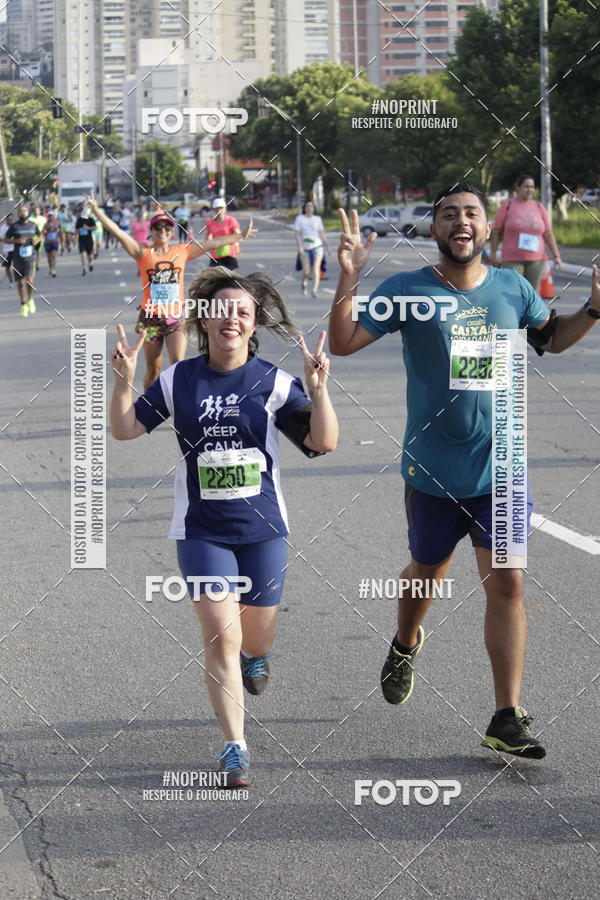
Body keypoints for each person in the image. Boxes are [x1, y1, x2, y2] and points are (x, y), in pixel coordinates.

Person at [329, 185, 600, 760]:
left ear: (487, 228)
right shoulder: (408, 290)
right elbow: (344, 341)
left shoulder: (512, 287)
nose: (461, 222)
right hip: (432, 472)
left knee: (508, 582)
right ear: (435, 230)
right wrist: (349, 275)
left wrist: (594, 310)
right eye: (449, 214)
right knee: (427, 572)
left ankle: (506, 714)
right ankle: (405, 642)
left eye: (472, 213)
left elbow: (549, 338)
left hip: (500, 468)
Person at [110, 269, 338, 786]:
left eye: (242, 310)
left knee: (255, 636)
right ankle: (235, 746)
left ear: (253, 322)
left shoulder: (274, 382)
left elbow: (323, 442)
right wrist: (124, 383)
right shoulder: (178, 379)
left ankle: (259, 657)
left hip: (263, 530)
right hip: (201, 532)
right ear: (204, 320)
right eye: (221, 309)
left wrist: (319, 391)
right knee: (220, 635)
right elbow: (124, 430)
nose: (230, 318)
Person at [86, 190, 256, 390]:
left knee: (177, 365)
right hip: (150, 317)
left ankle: (179, 411)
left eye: (167, 228)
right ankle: (149, 410)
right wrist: (97, 211)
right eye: (158, 227)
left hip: (176, 317)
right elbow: (118, 232)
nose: (163, 231)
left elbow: (211, 243)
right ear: (152, 230)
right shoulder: (143, 254)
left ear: (171, 232)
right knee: (153, 369)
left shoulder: (181, 252)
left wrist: (240, 236)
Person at [489, 175, 563, 291]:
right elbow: (497, 232)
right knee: (512, 291)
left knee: (532, 294)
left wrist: (556, 255)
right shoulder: (508, 206)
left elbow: (548, 233)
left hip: (536, 260)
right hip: (512, 259)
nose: (530, 190)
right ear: (517, 188)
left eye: (532, 187)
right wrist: (493, 253)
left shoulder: (539, 207)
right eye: (526, 186)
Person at [5, 203, 42, 316]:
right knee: (21, 282)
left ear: (28, 213)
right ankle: (23, 304)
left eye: (24, 211)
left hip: (30, 257)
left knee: (29, 279)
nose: (22, 213)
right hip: (18, 258)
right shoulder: (14, 226)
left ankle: (30, 299)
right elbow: (5, 239)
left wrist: (37, 240)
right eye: (20, 212)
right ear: (18, 214)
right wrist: (16, 241)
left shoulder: (33, 225)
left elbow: (40, 235)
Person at [293, 200, 330, 297]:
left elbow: (322, 233)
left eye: (311, 206)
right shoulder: (299, 219)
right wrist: (300, 247)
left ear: (314, 209)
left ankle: (314, 290)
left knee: (316, 269)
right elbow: (297, 234)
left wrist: (328, 246)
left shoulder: (317, 219)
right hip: (305, 248)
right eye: (307, 206)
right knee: (306, 270)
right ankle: (303, 283)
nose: (309, 208)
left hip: (317, 247)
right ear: (304, 208)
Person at [204, 198, 242, 270]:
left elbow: (239, 236)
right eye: (216, 209)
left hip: (229, 254)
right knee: (216, 279)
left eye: (221, 208)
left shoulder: (231, 220)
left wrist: (237, 237)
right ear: (214, 210)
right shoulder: (210, 222)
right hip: (215, 255)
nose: (219, 211)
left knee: (230, 278)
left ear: (225, 208)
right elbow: (207, 237)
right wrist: (208, 241)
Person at [75, 205, 96, 276]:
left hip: (89, 239)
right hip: (81, 240)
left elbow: (95, 227)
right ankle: (84, 268)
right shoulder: (79, 220)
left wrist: (88, 228)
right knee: (83, 253)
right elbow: (76, 229)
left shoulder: (90, 219)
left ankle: (90, 263)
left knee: (89, 255)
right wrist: (76, 236)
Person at [0, 213, 15, 286]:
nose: (10, 221)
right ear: (6, 219)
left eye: (11, 219)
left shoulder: (15, 226)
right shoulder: (3, 227)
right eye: (8, 219)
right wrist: (5, 240)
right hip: (6, 250)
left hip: (15, 249)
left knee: (18, 265)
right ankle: (11, 280)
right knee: (7, 267)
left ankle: (20, 279)